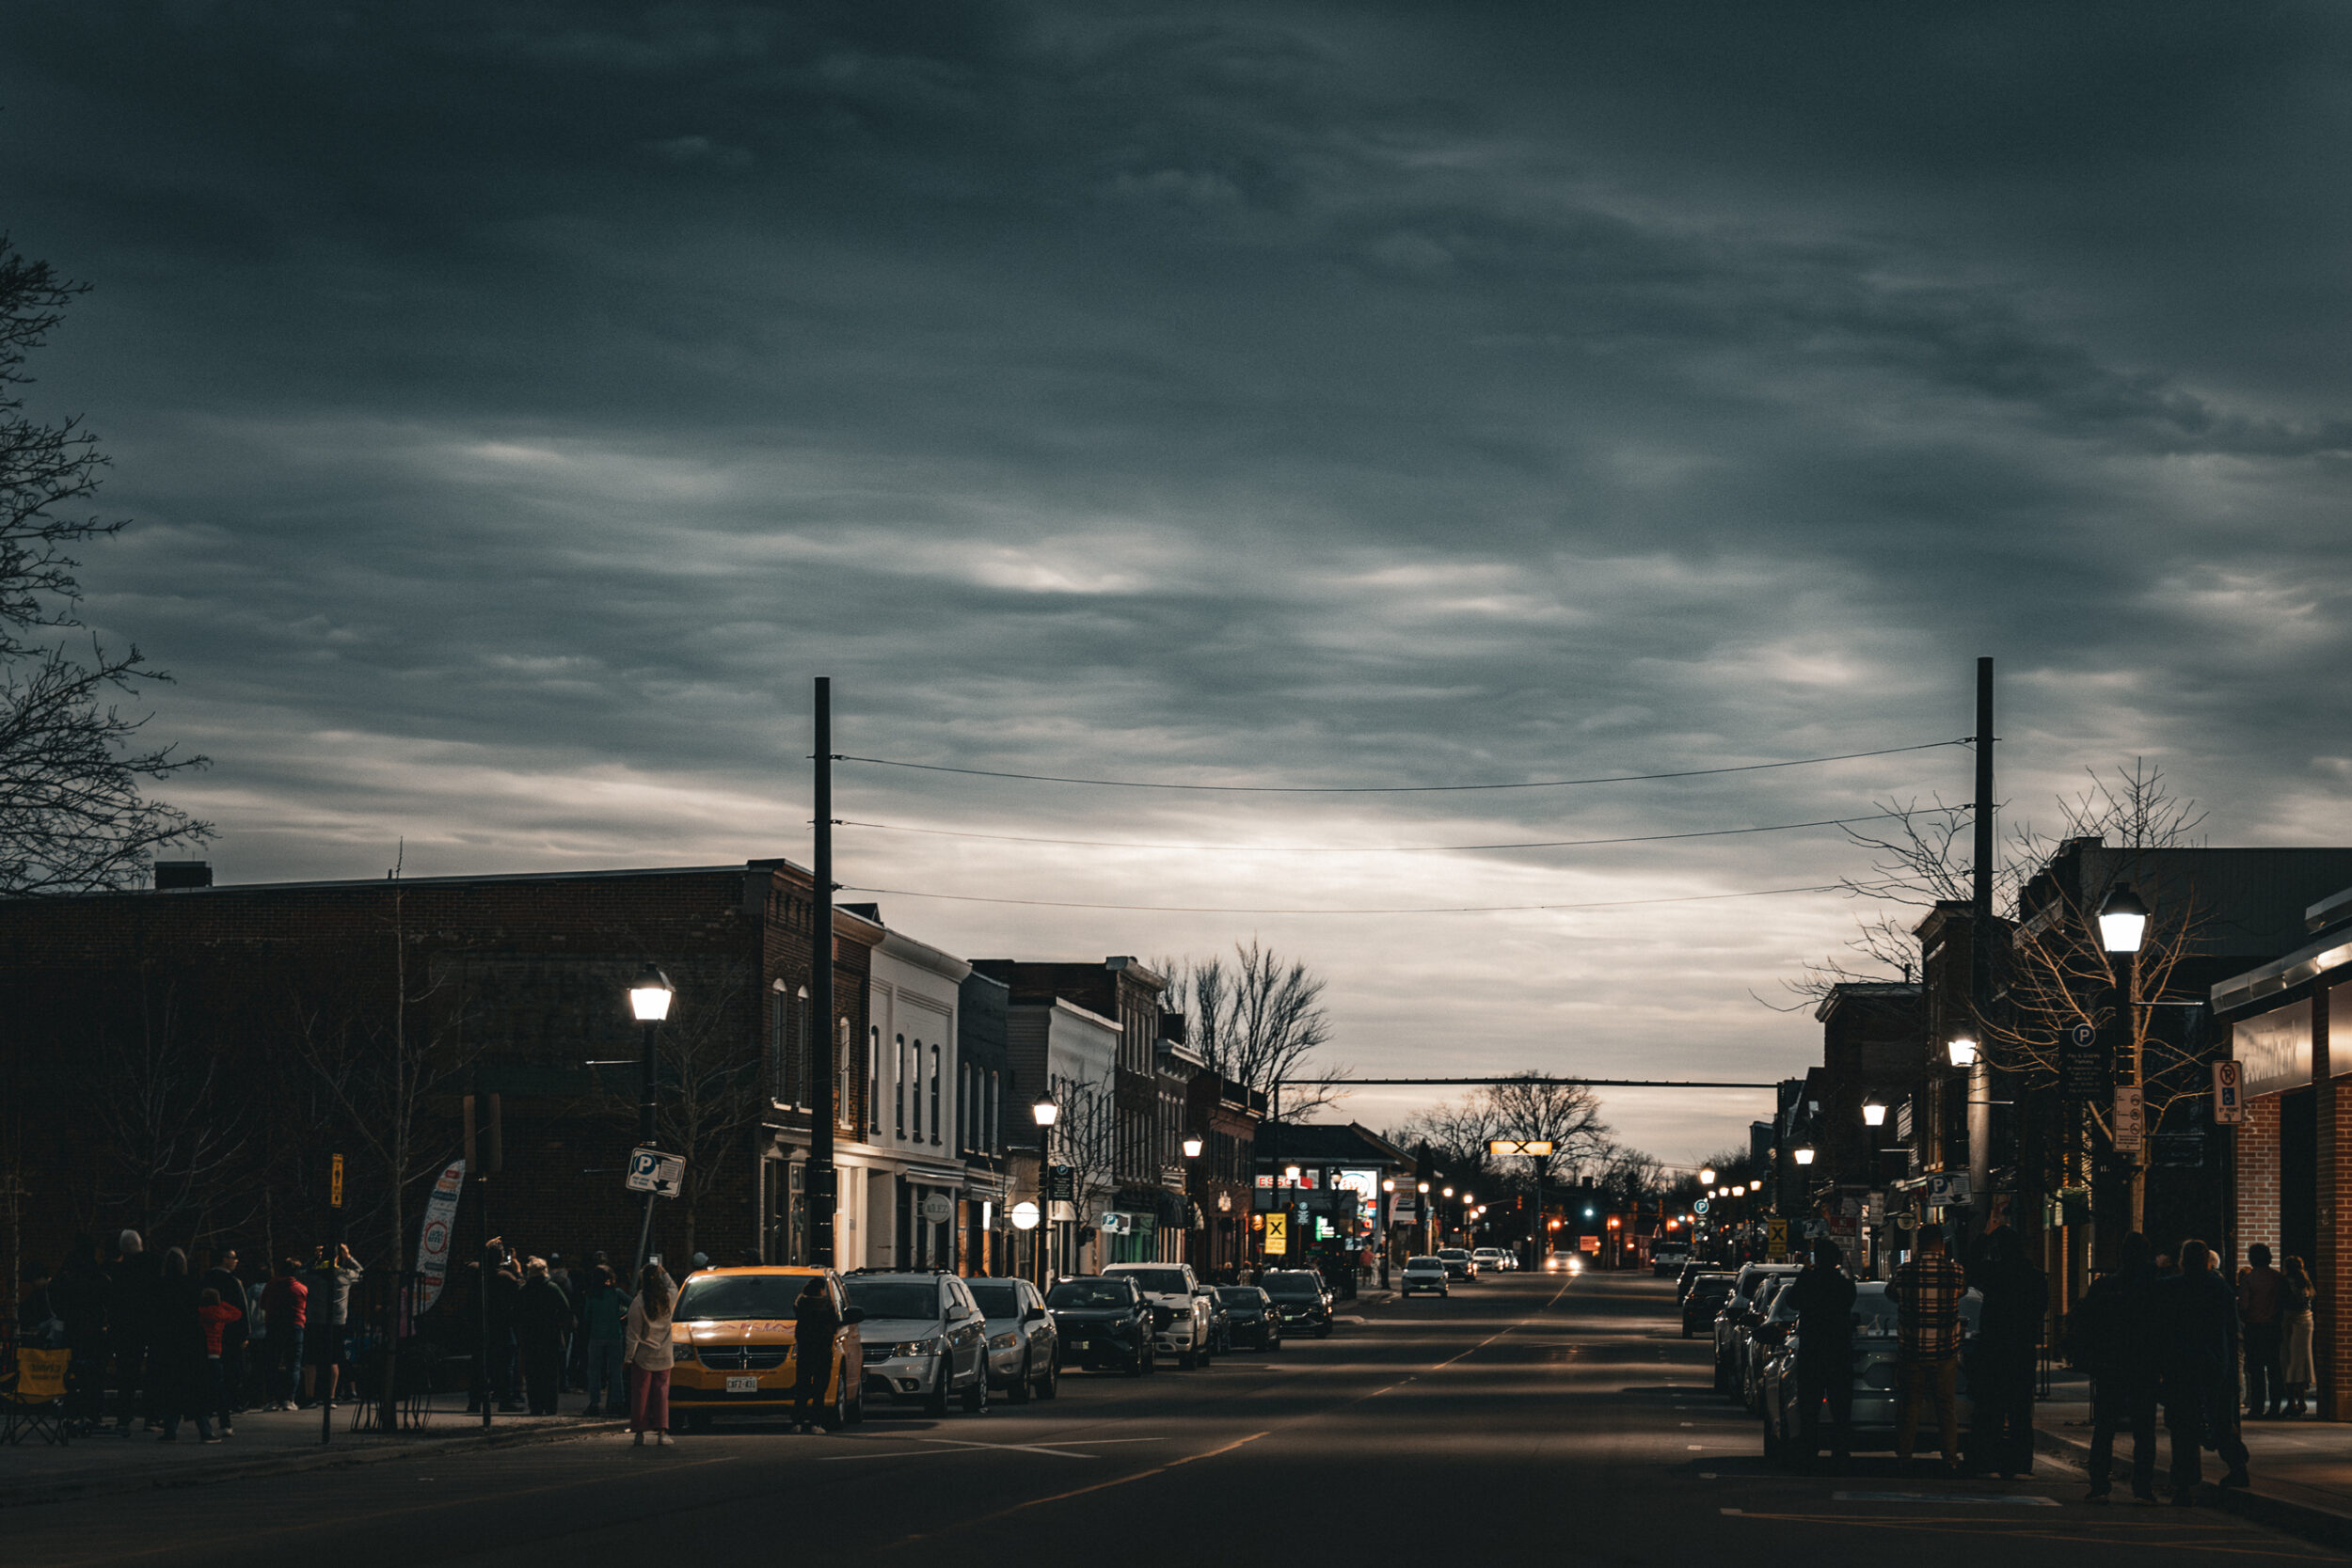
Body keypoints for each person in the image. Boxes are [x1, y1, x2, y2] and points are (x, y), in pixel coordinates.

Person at [2068, 1230, 2161, 1503]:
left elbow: (2087, 1322)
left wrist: (2090, 1356)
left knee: (2105, 1425)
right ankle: (2142, 1486)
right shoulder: (2155, 1287)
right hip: (2143, 1365)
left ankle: (2099, 1482)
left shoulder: (2106, 1286)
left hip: (2110, 1364)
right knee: (2144, 1429)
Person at [2157, 1239, 2250, 1504]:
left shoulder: (2172, 1287)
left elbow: (2161, 1329)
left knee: (2183, 1427)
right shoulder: (2218, 1288)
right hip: (2213, 1363)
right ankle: (2237, 1465)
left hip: (2180, 1365)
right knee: (2220, 1418)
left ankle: (2184, 1485)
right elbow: (2232, 1330)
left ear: (2182, 1261)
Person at [1968, 1225, 2047, 1477]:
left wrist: (1984, 1236)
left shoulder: (1994, 1274)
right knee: (2020, 1412)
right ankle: (2020, 1463)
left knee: (1991, 1410)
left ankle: (1988, 1462)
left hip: (1994, 1350)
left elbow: (1970, 1266)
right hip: (2022, 1350)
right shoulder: (2035, 1277)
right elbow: (2040, 1309)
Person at [1887, 1225, 1967, 1473]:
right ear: (1941, 1245)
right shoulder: (1955, 1271)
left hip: (1912, 1350)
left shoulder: (1904, 1271)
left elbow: (1891, 1293)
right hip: (1945, 1351)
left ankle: (1905, 1456)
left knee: (1910, 1405)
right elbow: (1962, 1292)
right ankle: (1950, 1457)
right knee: (1946, 1406)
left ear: (1917, 1245)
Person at [1785, 1239, 1857, 1470]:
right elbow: (1849, 1303)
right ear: (1837, 1260)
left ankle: (1809, 1451)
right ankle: (1841, 1452)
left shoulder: (1810, 1282)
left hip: (1813, 1351)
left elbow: (1792, 1301)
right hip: (1838, 1352)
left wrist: (1806, 1272)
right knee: (1841, 1407)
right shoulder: (1844, 1285)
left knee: (1810, 1406)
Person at [152, 1248, 217, 1444]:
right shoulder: (192, 1285)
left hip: (168, 1341)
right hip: (191, 1341)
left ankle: (170, 1430)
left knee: (172, 1387)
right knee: (195, 1387)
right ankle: (205, 1430)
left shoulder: (161, 1286)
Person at [106, 1228, 160, 1433]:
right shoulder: (154, 1264)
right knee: (153, 1373)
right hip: (152, 1325)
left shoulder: (119, 1271)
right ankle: (152, 1417)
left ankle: (123, 1418)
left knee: (126, 1374)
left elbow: (114, 1301)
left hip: (126, 1328)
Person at [302, 1243, 363, 1409]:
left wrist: (314, 1258)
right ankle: (331, 1397)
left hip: (315, 1321)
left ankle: (310, 1397)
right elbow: (361, 1272)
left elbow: (299, 1272)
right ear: (338, 1257)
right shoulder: (345, 1276)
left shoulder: (314, 1275)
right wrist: (348, 1256)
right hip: (337, 1323)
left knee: (311, 1361)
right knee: (333, 1359)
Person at [624, 1263, 676, 1447]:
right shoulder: (668, 1299)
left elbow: (633, 1335)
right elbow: (673, 1287)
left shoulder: (638, 1303)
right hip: (664, 1354)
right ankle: (662, 1431)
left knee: (641, 1395)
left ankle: (639, 1432)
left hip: (644, 1356)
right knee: (661, 1394)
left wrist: (628, 1357)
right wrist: (665, 1272)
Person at [196, 1247, 246, 1427]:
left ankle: (210, 1406)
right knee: (230, 1372)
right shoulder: (233, 1282)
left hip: (205, 1337)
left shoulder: (205, 1279)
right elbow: (241, 1310)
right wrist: (244, 1334)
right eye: (233, 1258)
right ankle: (232, 1405)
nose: (236, 1261)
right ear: (225, 1259)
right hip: (229, 1333)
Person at [518, 1257, 574, 1416]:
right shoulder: (552, 1288)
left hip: (530, 1335)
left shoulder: (525, 1289)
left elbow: (517, 1311)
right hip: (550, 1335)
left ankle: (535, 1406)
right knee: (550, 1373)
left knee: (532, 1372)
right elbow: (565, 1309)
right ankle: (550, 1406)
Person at [2237, 1243, 2285, 1419]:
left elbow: (2244, 1305)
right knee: (2274, 1369)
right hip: (2273, 1327)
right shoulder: (2278, 1278)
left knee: (2256, 1370)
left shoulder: (2249, 1279)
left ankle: (2257, 1408)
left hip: (2255, 1328)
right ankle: (2274, 1408)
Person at [790, 1276, 842, 1433]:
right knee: (820, 1388)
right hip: (822, 1350)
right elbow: (834, 1326)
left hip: (805, 1350)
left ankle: (797, 1422)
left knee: (802, 1386)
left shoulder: (801, 1305)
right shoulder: (826, 1305)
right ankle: (816, 1423)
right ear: (821, 1290)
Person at [580, 1265, 630, 1417]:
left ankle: (594, 1402)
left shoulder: (591, 1295)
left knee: (594, 1371)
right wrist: (622, 1315)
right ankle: (617, 1402)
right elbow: (633, 1304)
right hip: (614, 1334)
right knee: (615, 1370)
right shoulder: (616, 1293)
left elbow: (586, 1317)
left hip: (596, 1335)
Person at [261, 1259, 308, 1410]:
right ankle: (289, 1399)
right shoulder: (301, 1289)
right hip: (294, 1326)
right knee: (293, 1364)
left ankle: (272, 1399)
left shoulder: (271, 1285)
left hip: (274, 1325)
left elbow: (263, 1304)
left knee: (271, 1363)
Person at [2280, 1256, 2316, 1418]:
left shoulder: (2284, 1282)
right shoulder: (2306, 1283)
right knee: (2302, 1362)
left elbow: (2280, 1302)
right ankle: (2301, 1400)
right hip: (2307, 1322)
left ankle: (2291, 1402)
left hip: (2289, 1321)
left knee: (2288, 1362)